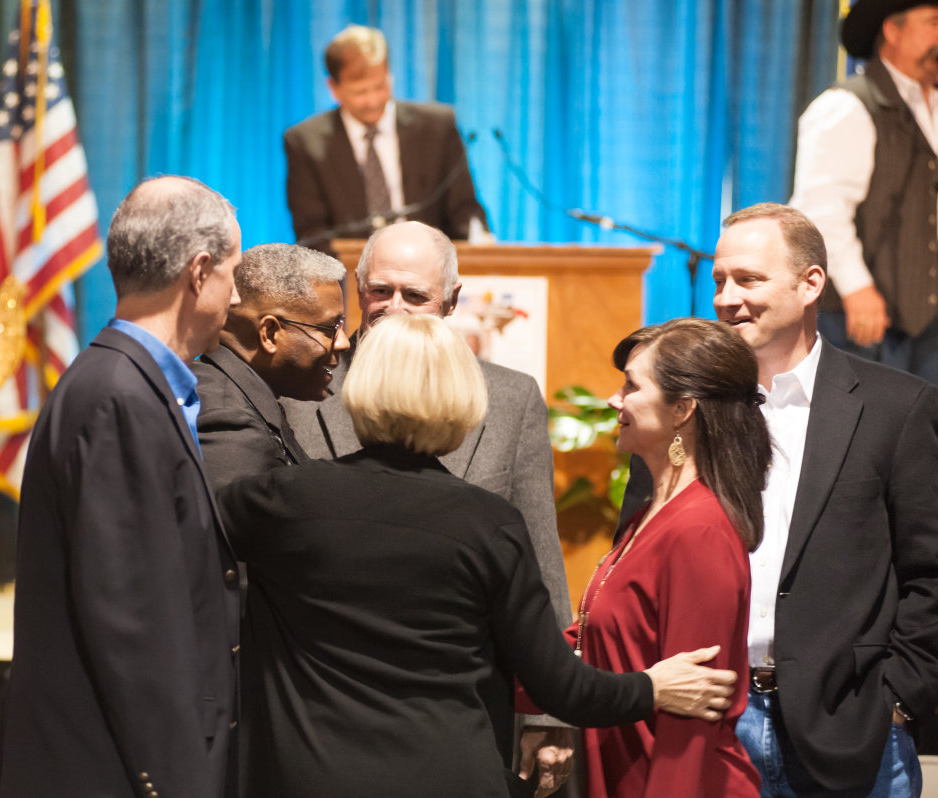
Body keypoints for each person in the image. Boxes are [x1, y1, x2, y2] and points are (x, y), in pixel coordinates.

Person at [220, 312, 739, 798]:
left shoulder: (281, 500)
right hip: (451, 777)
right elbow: (560, 687)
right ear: (464, 397)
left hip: (308, 777)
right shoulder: (489, 523)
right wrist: (650, 688)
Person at [622, 203, 938, 796]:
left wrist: (897, 698)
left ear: (811, 282)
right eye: (719, 280)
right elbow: (636, 554)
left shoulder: (898, 407)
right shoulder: (681, 406)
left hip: (849, 727)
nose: (726, 297)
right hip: (703, 720)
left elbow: (931, 571)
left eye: (748, 279)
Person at [281, 220, 575, 786]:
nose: (394, 307)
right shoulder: (298, 392)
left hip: (462, 713)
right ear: (357, 293)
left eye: (415, 295)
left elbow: (540, 560)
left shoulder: (509, 399)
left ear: (451, 302)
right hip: (322, 713)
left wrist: (547, 710)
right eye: (380, 291)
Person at [0, 176, 243, 798]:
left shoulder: (120, 383)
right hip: (118, 774)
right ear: (199, 271)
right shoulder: (117, 397)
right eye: (231, 275)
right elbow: (135, 625)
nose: (236, 297)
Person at [520, 317, 768, 797]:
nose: (615, 400)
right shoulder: (652, 515)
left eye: (631, 386)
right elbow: (587, 646)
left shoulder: (699, 530)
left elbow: (690, 720)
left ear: (682, 409)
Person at [791, 0, 938, 382]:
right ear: (893, 31)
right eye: (933, 23)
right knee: (865, 430)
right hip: (861, 321)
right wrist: (858, 289)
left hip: (927, 326)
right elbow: (822, 209)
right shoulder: (847, 106)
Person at [284, 24, 488, 252]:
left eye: (381, 86)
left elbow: (464, 211)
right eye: (360, 92)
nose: (373, 101)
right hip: (351, 277)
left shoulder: (437, 127)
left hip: (430, 270)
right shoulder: (305, 142)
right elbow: (311, 233)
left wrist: (480, 246)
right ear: (334, 88)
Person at [192, 243, 349, 490]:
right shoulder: (230, 422)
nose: (343, 342)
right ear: (270, 333)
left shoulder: (236, 395)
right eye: (330, 328)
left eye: (342, 325)